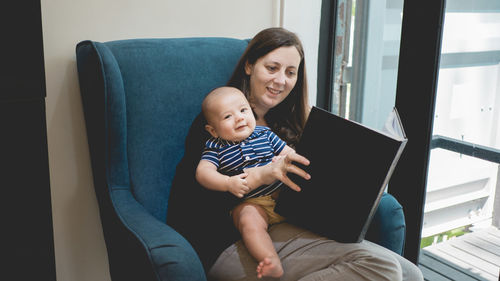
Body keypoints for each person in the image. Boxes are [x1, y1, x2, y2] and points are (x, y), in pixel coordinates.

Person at [167, 27, 423, 281]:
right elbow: (198, 195)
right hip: (230, 239)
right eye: (272, 68)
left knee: (412, 274)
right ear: (249, 66)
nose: (281, 80)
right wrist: (260, 176)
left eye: (291, 72)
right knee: (383, 268)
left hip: (292, 225)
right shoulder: (218, 122)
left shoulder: (285, 127)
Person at [196, 86, 307, 278]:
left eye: (243, 110)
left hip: (282, 195)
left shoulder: (265, 134)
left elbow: (289, 154)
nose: (239, 118)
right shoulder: (216, 147)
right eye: (227, 117)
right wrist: (228, 182)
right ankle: (270, 260)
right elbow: (203, 173)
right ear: (213, 130)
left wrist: (285, 159)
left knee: (302, 189)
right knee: (247, 220)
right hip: (253, 203)